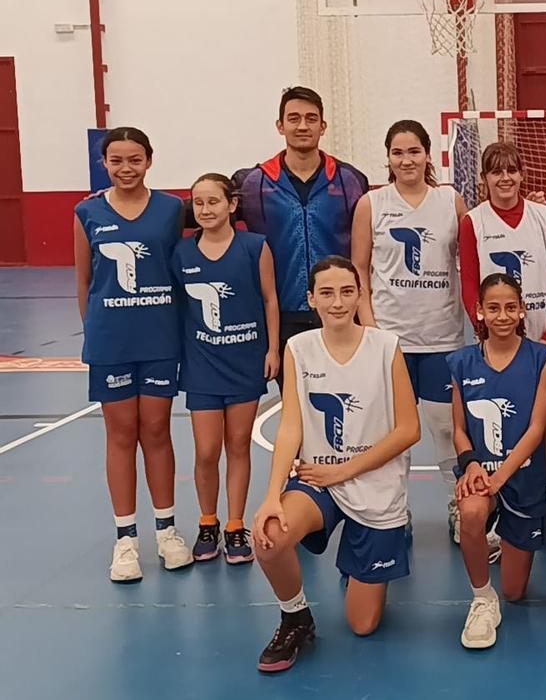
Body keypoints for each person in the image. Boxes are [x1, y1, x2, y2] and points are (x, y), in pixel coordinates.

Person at [251, 257, 420, 673]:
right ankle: (296, 617)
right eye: (326, 293)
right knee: (269, 536)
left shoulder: (386, 346)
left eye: (347, 291)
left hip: (372, 483)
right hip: (317, 482)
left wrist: (344, 470)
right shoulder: (298, 349)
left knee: (362, 624)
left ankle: (367, 553)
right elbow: (291, 425)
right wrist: (272, 495)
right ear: (311, 299)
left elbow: (409, 430)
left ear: (360, 294)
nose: (338, 301)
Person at [73, 127, 193, 582]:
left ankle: (166, 531)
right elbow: (84, 282)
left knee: (157, 430)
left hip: (160, 337)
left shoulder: (170, 210)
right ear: (104, 163)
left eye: (135, 159)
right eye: (116, 160)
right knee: (121, 434)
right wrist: (98, 333)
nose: (126, 168)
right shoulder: (86, 212)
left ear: (149, 160)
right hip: (112, 342)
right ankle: (126, 540)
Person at [352, 120, 469, 543]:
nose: (406, 160)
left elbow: (470, 262)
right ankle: (393, 512)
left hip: (441, 337)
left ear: (427, 155)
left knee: (444, 429)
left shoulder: (449, 202)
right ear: (388, 158)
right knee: (391, 435)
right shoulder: (371, 204)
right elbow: (359, 272)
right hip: (391, 339)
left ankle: (459, 506)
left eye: (414, 151)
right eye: (398, 152)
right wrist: (372, 329)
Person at [459, 141, 546, 541]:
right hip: (500, 336)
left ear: (523, 174)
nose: (505, 178)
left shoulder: (542, 215)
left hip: (542, 334)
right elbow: (470, 282)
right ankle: (497, 500)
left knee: (545, 424)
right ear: (485, 179)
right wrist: (487, 334)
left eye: (512, 170)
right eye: (496, 171)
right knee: (502, 421)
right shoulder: (474, 221)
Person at [175, 173, 281, 563]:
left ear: (232, 205)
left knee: (238, 446)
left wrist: (272, 349)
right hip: (202, 364)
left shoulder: (255, 247)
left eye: (213, 202)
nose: (206, 209)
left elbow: (270, 300)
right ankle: (208, 521)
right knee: (206, 450)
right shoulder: (182, 253)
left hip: (245, 361)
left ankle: (236, 526)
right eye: (198, 203)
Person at [448, 274, 546, 650]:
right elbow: (459, 429)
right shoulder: (462, 362)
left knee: (515, 591)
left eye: (511, 307)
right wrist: (472, 465)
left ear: (522, 309)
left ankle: (500, 543)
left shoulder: (542, 357)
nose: (502, 315)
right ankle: (481, 598)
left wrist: (502, 475)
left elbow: (537, 428)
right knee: (472, 513)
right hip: (482, 476)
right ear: (479, 311)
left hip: (522, 477)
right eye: (493, 307)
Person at [234, 86, 368, 381]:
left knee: (348, 408)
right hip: (283, 318)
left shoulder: (351, 181)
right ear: (280, 126)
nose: (303, 126)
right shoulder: (253, 183)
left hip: (341, 313)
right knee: (297, 412)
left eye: (311, 118)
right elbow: (204, 211)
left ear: (323, 126)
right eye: (294, 118)